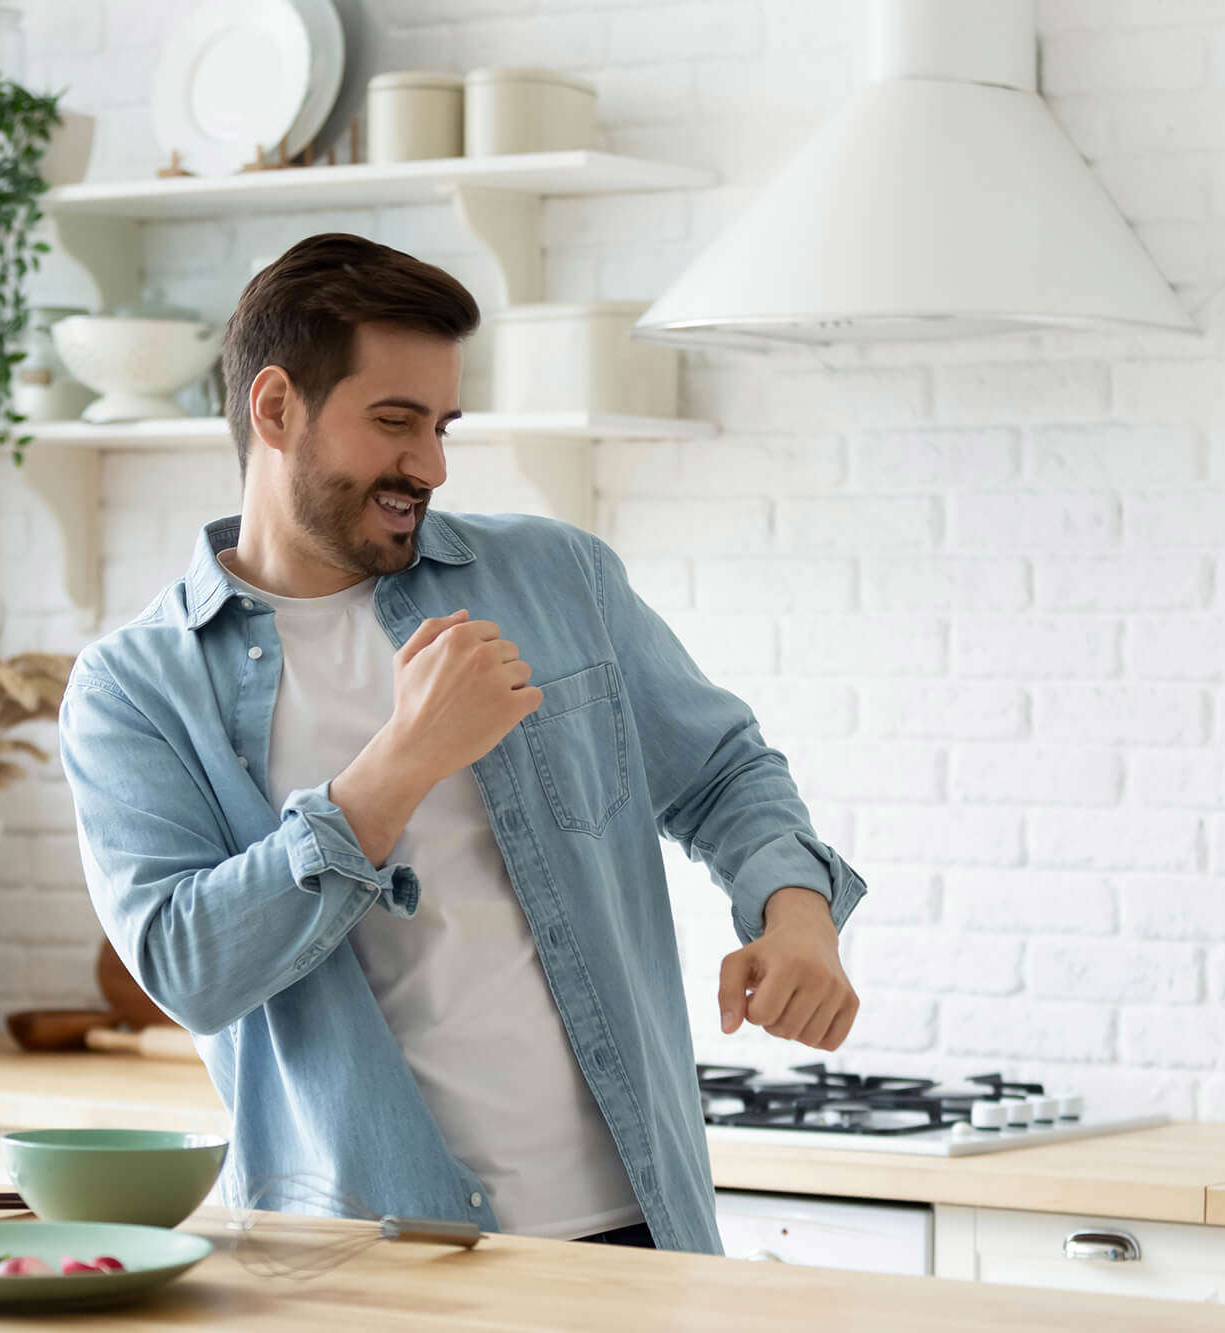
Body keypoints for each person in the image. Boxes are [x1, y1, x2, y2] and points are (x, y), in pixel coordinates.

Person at [58, 232, 866, 1256]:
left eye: (441, 425)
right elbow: (186, 966)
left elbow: (720, 772)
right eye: (393, 422)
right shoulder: (136, 686)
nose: (429, 466)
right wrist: (398, 764)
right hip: (369, 1251)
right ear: (274, 409)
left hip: (634, 1231)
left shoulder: (553, 577)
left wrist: (795, 913)